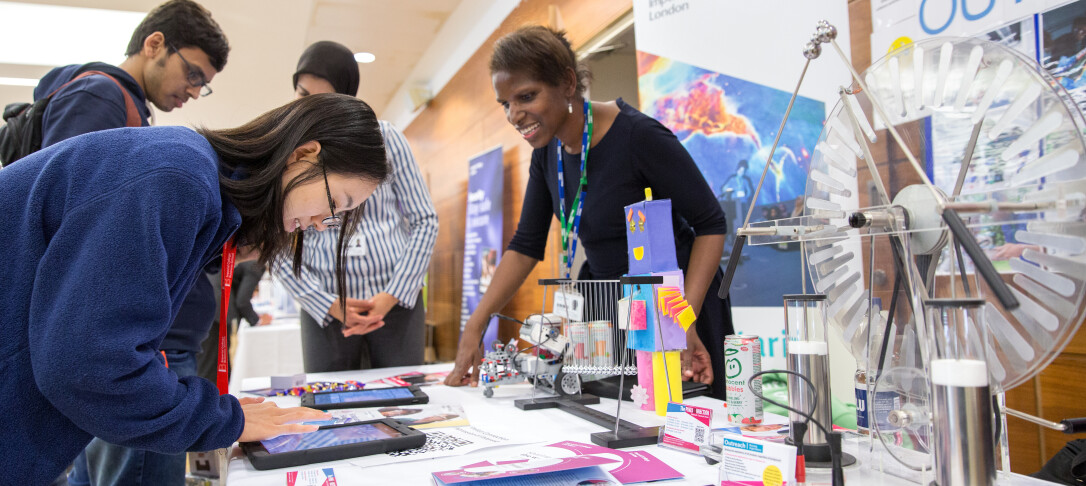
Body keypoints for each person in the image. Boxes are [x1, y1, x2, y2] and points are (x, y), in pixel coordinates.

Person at [0, 93, 387, 484]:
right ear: (304, 153)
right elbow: (89, 366)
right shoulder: (178, 175)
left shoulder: (190, 177)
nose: (323, 222)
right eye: (335, 202)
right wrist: (223, 420)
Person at [445, 26, 734, 401]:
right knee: (617, 423)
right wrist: (477, 323)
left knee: (678, 428)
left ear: (567, 83)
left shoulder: (638, 136)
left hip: (673, 308)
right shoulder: (546, 153)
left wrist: (682, 320)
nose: (514, 115)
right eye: (505, 104)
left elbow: (711, 223)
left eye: (526, 97)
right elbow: (526, 245)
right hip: (608, 309)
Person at [24, 2, 231, 484]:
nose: (194, 91)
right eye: (193, 73)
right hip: (131, 350)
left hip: (138, 345)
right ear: (154, 43)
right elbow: (87, 230)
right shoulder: (98, 96)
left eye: (205, 83)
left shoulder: (128, 107)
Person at [274, 41, 439, 372]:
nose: (309, 107)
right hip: (325, 308)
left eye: (323, 98)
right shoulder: (289, 148)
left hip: (396, 304)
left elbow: (425, 220)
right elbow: (274, 242)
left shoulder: (385, 139)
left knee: (403, 402)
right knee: (327, 407)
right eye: (302, 94)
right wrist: (326, 303)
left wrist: (393, 295)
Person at [229, 260, 273, 328]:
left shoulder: (251, 262)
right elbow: (242, 302)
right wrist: (258, 321)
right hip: (221, 305)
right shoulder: (256, 266)